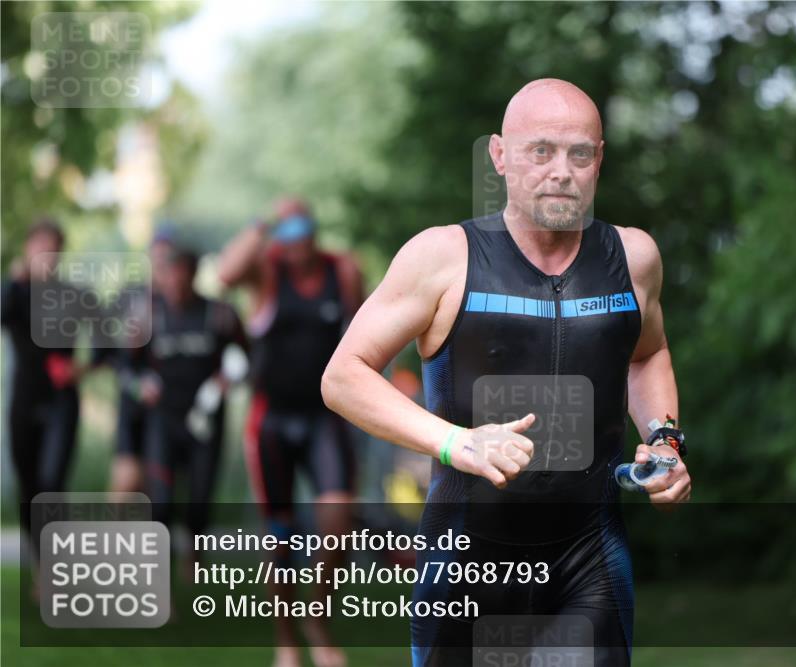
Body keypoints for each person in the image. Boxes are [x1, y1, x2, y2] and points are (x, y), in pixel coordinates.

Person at [321, 79, 691, 666]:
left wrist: (664, 440)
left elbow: (646, 355)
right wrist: (456, 442)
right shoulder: (443, 257)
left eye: (579, 154)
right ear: (500, 155)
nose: (561, 172)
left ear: (599, 160)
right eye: (540, 150)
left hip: (588, 561)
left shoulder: (633, 258)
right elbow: (344, 376)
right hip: (466, 561)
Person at [218, 197, 366, 667]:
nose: (295, 239)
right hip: (271, 420)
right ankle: (286, 640)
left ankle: (316, 618)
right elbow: (225, 274)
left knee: (338, 520)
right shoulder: (267, 271)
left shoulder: (342, 271)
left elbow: (367, 332)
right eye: (287, 230)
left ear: (314, 230)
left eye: (301, 226)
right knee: (279, 535)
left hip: (325, 415)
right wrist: (262, 221)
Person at [123, 246, 247, 574]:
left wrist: (228, 378)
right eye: (170, 279)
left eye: (182, 279)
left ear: (193, 277)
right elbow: (125, 369)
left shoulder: (219, 314)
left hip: (205, 421)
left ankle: (193, 556)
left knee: (200, 498)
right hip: (163, 420)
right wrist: (140, 386)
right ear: (162, 278)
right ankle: (158, 571)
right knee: (161, 500)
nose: (175, 286)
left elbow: (247, 357)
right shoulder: (146, 317)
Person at [1, 218, 87, 558]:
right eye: (40, 248)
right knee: (29, 487)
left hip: (61, 401)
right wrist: (14, 280)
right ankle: (40, 557)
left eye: (53, 250)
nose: (46, 257)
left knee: (52, 483)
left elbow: (108, 340)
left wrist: (83, 367)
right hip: (24, 399)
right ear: (28, 249)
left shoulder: (72, 295)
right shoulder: (15, 293)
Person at [109, 224, 177, 495]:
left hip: (169, 404)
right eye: (157, 252)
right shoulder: (131, 295)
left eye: (167, 254)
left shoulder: (181, 299)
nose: (161, 259)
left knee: (156, 486)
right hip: (133, 400)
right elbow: (108, 345)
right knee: (126, 479)